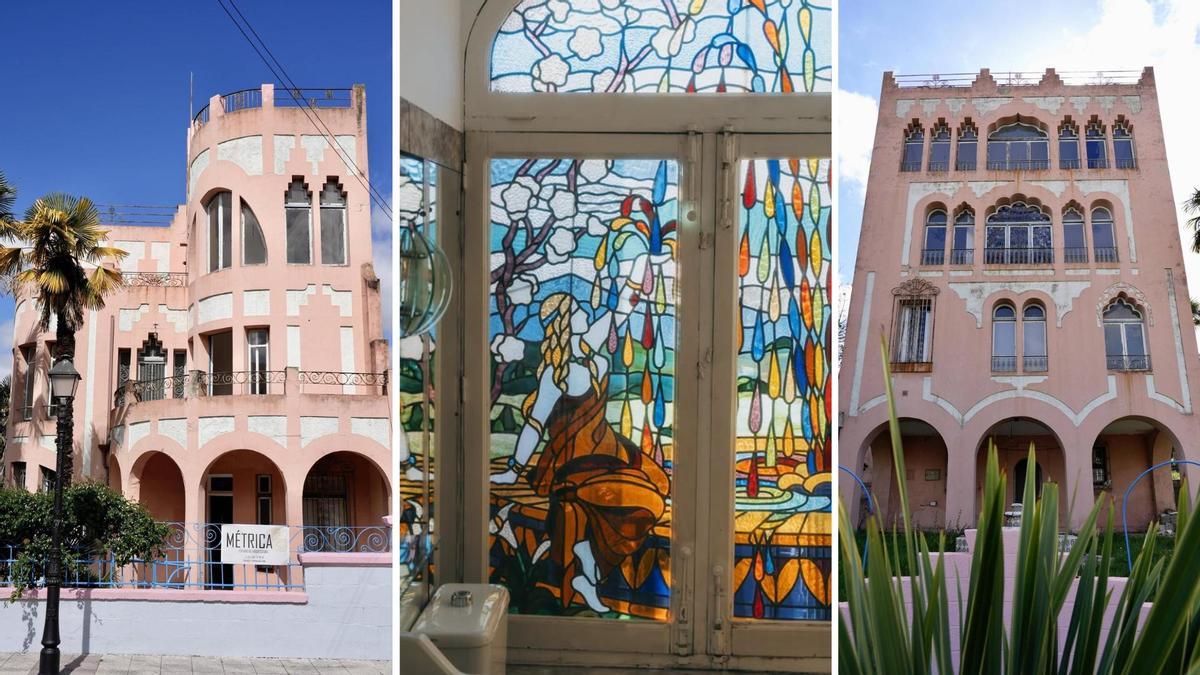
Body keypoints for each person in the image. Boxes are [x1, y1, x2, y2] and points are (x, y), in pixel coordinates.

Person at [491, 292, 669, 613]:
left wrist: (643, 269)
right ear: (563, 323)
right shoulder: (553, 375)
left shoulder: (593, 355)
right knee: (637, 502)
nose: (585, 310)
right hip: (576, 463)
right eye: (576, 310)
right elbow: (534, 425)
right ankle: (589, 570)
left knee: (659, 487)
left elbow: (618, 310)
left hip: (612, 451)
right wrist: (513, 470)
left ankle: (590, 561)